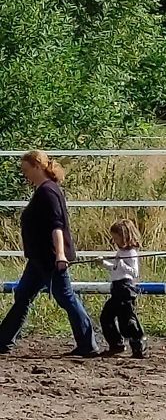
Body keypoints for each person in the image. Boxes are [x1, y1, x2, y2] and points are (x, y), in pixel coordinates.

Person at [0, 150, 99, 357]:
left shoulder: (47, 192)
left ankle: (88, 343)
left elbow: (57, 226)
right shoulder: (45, 190)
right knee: (23, 294)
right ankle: (4, 340)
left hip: (49, 258)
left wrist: (60, 254)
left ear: (37, 166)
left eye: (26, 170)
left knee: (65, 297)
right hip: (39, 259)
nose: (24, 174)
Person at [98, 218, 147, 358]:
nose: (114, 241)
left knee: (127, 320)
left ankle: (138, 344)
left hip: (126, 289)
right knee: (106, 317)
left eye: (116, 237)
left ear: (124, 236)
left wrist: (121, 264)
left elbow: (134, 272)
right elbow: (116, 268)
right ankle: (116, 344)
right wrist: (104, 263)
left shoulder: (131, 253)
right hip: (117, 288)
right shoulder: (121, 252)